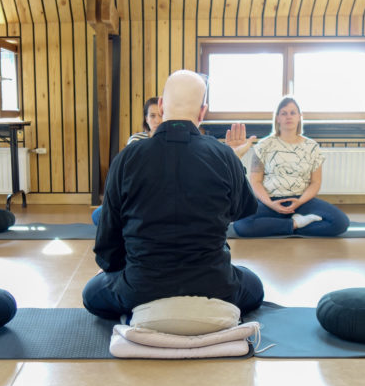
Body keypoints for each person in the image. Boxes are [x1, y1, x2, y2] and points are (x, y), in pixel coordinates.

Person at [82, 70, 264, 321]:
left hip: (141, 287)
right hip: (215, 285)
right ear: (203, 111)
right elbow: (243, 209)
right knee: (254, 285)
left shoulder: (128, 157)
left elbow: (107, 241)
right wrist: (232, 159)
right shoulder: (223, 155)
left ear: (161, 105)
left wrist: (123, 272)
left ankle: (143, 308)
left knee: (92, 293)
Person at [232, 96, 349, 237]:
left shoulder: (312, 147)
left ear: (299, 117)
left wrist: (299, 202)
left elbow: (315, 182)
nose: (289, 116)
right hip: (271, 200)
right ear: (277, 118)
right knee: (241, 225)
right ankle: (296, 224)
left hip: (302, 201)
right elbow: (255, 181)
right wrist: (270, 204)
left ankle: (277, 225)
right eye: (284, 113)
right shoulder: (263, 145)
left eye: (293, 113)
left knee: (340, 222)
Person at [91, 97, 162, 225]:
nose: (157, 120)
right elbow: (129, 173)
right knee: (98, 215)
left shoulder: (169, 141)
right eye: (152, 116)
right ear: (146, 119)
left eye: (161, 115)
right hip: (137, 193)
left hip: (157, 196)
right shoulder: (136, 140)